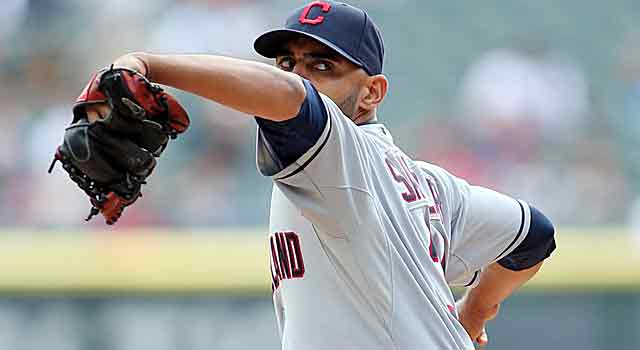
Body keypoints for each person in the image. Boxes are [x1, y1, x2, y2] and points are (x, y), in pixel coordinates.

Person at [88, 1, 556, 349]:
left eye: (322, 65)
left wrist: (148, 65)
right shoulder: (430, 185)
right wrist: (475, 311)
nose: (299, 75)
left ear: (372, 93)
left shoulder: (343, 155)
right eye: (288, 61)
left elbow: (291, 98)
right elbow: (533, 235)